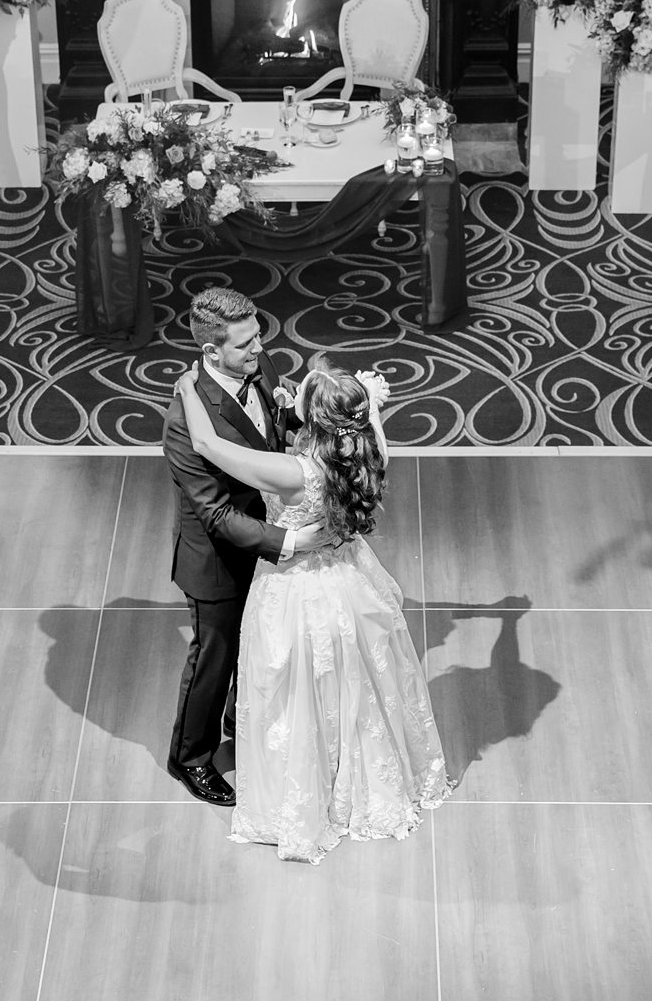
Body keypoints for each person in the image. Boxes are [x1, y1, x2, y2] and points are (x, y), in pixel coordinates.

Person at [174, 349, 450, 861]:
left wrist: (189, 389)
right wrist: (370, 405)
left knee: (295, 685)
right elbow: (363, 426)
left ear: (315, 416)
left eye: (300, 389)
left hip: (296, 586)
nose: (291, 389)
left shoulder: (293, 473)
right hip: (349, 577)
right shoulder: (367, 449)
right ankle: (352, 772)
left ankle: (307, 784)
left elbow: (206, 444)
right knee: (351, 681)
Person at [161, 287, 332, 810]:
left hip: (263, 527)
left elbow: (269, 435)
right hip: (216, 557)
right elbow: (213, 512)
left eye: (258, 336)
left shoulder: (259, 363)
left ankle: (242, 718)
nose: (259, 350)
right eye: (244, 345)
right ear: (212, 352)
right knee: (216, 656)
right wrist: (290, 541)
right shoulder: (183, 421)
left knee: (259, 638)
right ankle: (190, 758)